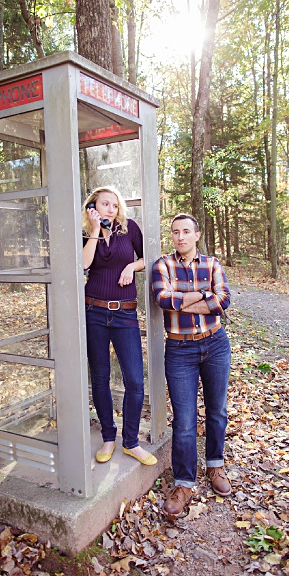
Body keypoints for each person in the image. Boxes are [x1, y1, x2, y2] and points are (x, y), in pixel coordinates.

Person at [151, 213, 233, 519]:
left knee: (217, 409)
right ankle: (184, 483)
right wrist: (203, 295)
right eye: (175, 232)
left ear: (197, 235)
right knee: (184, 420)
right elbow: (163, 299)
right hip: (179, 349)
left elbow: (223, 300)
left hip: (215, 344)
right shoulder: (163, 264)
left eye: (186, 231)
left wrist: (185, 299)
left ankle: (215, 465)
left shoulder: (212, 264)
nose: (181, 237)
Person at [81, 187, 156, 467]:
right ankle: (109, 437)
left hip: (125, 315)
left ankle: (131, 442)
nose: (110, 209)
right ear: (93, 207)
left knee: (135, 380)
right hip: (95, 313)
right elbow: (84, 264)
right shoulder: (88, 231)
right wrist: (93, 230)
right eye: (104, 204)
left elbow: (148, 257)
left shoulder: (129, 228)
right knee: (100, 378)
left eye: (114, 204)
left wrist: (131, 267)